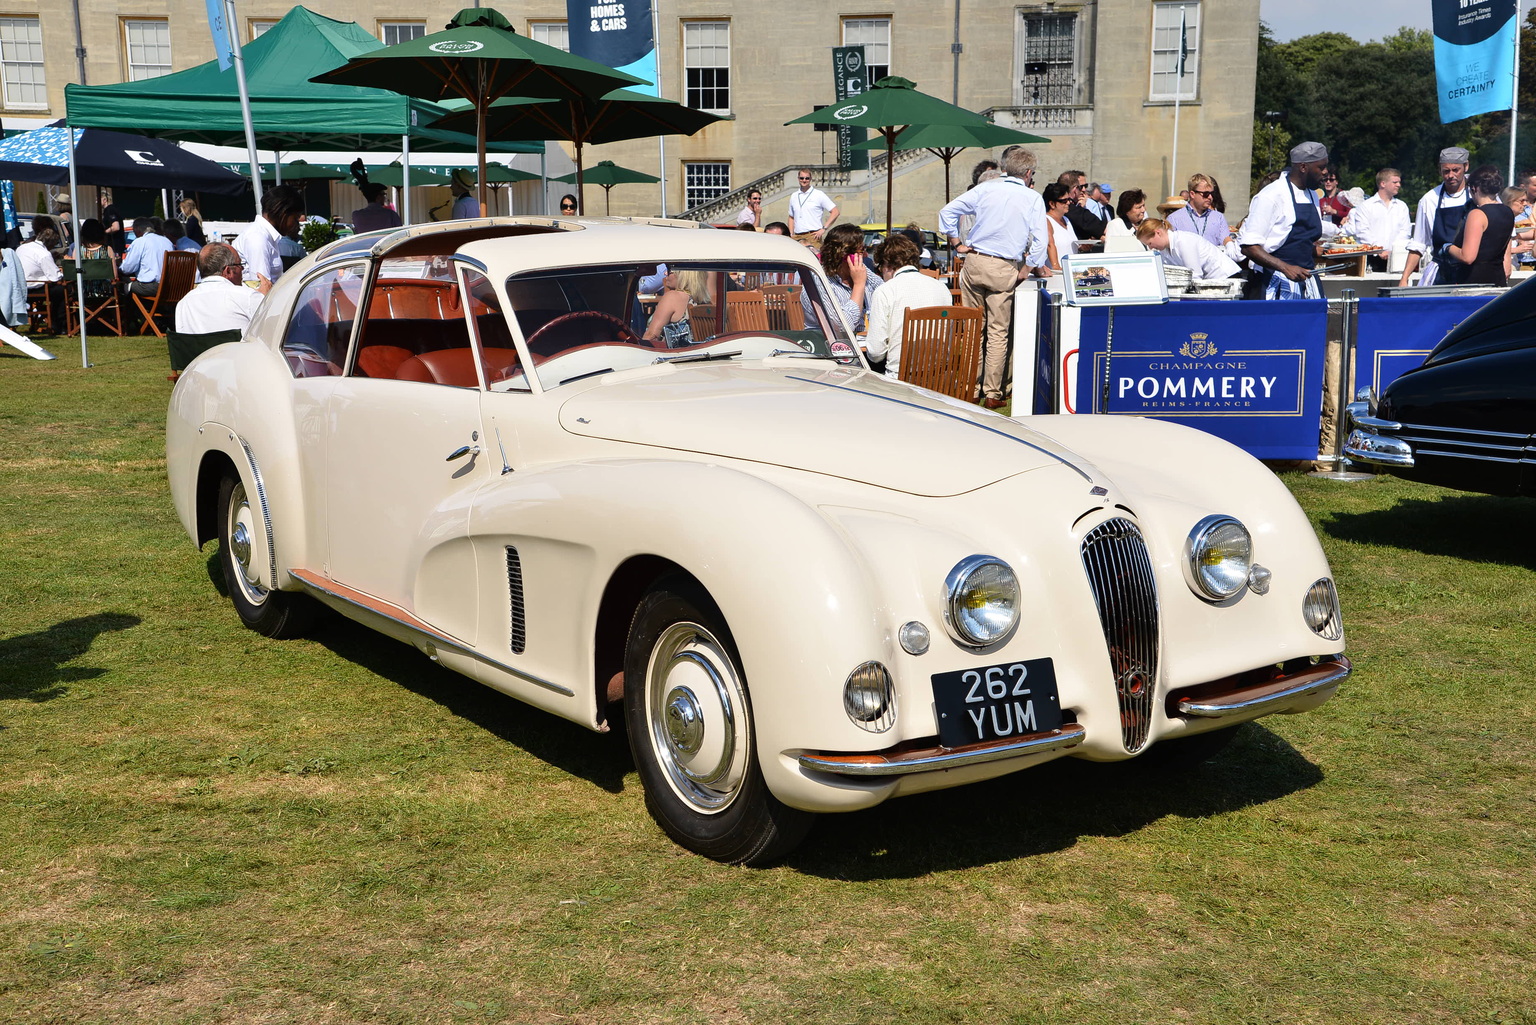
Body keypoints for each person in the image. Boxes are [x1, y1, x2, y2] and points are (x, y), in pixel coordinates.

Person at [938, 145, 1050, 408]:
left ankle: (971, 387)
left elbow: (947, 212)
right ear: (1029, 173)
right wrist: (1027, 268)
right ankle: (992, 392)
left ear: (1004, 168)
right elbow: (1040, 242)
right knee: (997, 332)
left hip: (976, 261)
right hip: (1003, 265)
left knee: (974, 330)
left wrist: (956, 242)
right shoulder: (1031, 197)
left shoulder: (987, 188)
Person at [1237, 140, 1333, 300]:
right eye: (1321, 167)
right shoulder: (1271, 196)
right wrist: (1285, 267)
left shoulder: (1312, 194)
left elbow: (1297, 241)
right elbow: (1249, 247)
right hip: (1274, 282)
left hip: (1307, 279)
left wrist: (1325, 252)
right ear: (1303, 167)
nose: (1325, 172)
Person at [862, 233, 954, 379]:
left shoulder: (886, 291)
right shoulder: (941, 288)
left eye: (879, 268)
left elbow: (875, 353)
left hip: (902, 380)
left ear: (887, 265)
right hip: (939, 376)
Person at [1400, 147, 1472, 287]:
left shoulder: (1479, 193)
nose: (1450, 175)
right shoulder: (1429, 199)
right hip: (1442, 271)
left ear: (1466, 166)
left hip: (1473, 270)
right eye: (1446, 171)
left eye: (1455, 170)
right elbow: (1419, 243)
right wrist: (1404, 278)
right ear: (1440, 171)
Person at [1445, 165, 1516, 287]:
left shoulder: (1477, 214)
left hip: (1475, 282)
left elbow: (1468, 256)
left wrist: (1447, 248)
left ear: (1474, 188)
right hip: (1498, 278)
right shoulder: (1508, 211)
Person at [175, 243, 267, 334]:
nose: (242, 269)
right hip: (237, 348)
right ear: (228, 271)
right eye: (239, 265)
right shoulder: (247, 297)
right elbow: (273, 332)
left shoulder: (183, 304)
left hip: (199, 349)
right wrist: (267, 299)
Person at [233, 186, 304, 293]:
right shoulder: (258, 238)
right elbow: (262, 289)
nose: (296, 224)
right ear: (283, 214)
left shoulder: (266, 236)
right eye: (295, 218)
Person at [1342, 168, 1411, 272]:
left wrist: (1393, 251)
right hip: (1371, 259)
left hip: (1397, 259)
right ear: (1383, 183)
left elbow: (1405, 232)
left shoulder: (1402, 206)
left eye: (1399, 182)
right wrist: (1379, 250)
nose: (1398, 185)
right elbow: (1362, 232)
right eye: (1395, 182)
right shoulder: (1366, 206)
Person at [815, 223, 879, 331]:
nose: (863, 255)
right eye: (860, 251)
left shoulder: (860, 269)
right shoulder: (820, 281)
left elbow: (882, 290)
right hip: (831, 343)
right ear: (843, 254)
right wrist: (859, 285)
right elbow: (843, 327)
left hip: (863, 341)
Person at [1136, 217, 1241, 279]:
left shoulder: (1183, 241)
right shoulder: (1164, 250)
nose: (1150, 247)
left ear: (1157, 233)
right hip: (1213, 280)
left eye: (1149, 243)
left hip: (1227, 277)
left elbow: (1195, 276)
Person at [18, 215, 66, 332]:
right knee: (63, 290)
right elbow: (55, 277)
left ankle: (49, 322)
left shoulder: (22, 248)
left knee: (57, 289)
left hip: (19, 287)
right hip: (34, 287)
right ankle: (59, 324)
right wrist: (61, 272)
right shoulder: (44, 253)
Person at [642, 269, 707, 348]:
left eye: (670, 270)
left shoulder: (672, 297)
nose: (665, 273)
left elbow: (651, 336)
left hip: (671, 356)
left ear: (684, 275)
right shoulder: (704, 301)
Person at [119, 216, 175, 301]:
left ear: (137, 229)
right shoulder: (167, 241)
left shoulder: (140, 241)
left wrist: (119, 267)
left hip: (151, 287)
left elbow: (127, 268)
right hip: (170, 286)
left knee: (124, 286)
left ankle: (134, 313)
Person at [1167, 173, 1231, 247]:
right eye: (1206, 194)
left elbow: (1225, 239)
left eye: (1212, 193)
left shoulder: (1218, 217)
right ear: (1192, 194)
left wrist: (1230, 246)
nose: (1210, 197)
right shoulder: (1174, 219)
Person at [788, 169, 838, 249]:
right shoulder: (794, 196)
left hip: (813, 236)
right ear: (798, 179)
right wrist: (791, 234)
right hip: (797, 236)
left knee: (814, 259)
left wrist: (823, 229)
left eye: (807, 178)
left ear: (810, 179)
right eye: (802, 178)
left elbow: (835, 212)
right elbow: (791, 217)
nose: (804, 180)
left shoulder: (818, 194)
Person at [1059, 170, 1106, 241]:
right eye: (1081, 187)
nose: (1084, 189)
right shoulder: (1063, 204)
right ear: (1074, 189)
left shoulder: (1083, 204)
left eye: (1085, 186)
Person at [1042, 182, 1079, 271]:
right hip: (1058, 273)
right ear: (1052, 204)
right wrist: (1056, 267)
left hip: (1072, 271)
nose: (1068, 203)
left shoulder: (1066, 220)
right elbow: (1050, 244)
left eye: (1069, 199)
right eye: (1064, 201)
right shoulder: (1045, 220)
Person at [99, 188, 125, 253]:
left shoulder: (110, 210)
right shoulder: (109, 210)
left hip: (115, 246)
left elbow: (116, 227)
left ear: (105, 200)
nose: (96, 202)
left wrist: (103, 233)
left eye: (98, 199)